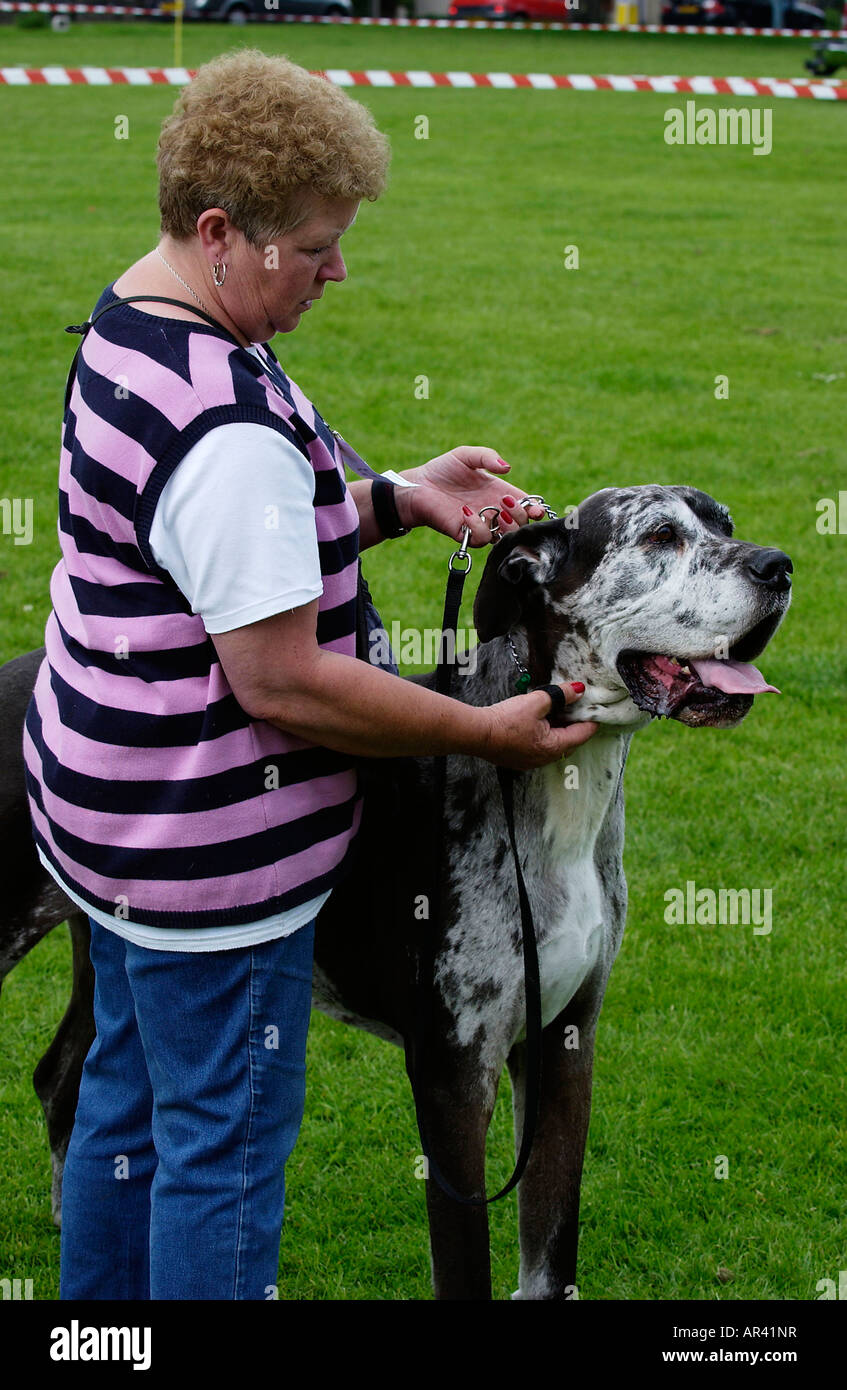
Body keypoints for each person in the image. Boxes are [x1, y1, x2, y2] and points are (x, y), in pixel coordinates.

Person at [22, 49, 597, 1301]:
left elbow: (228, 532)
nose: (339, 270)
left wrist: (393, 498)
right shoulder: (222, 422)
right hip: (208, 867)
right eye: (318, 245)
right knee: (218, 1154)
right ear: (221, 230)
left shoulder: (141, 323)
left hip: (109, 827)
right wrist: (483, 732)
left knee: (124, 1115)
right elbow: (285, 681)